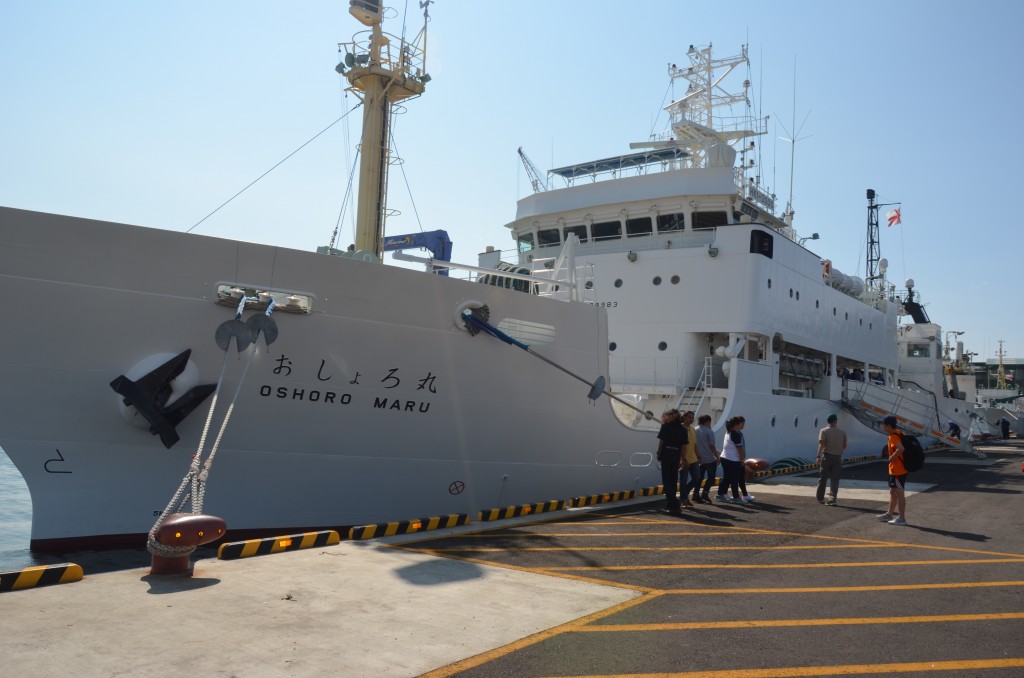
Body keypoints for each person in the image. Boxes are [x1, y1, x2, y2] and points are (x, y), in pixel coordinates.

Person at [878, 415, 908, 525]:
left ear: (888, 425)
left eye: (884, 424)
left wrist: (891, 458)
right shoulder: (898, 432)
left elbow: (901, 449)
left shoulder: (893, 436)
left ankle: (902, 518)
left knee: (900, 493)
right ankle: (889, 514)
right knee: (893, 492)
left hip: (898, 470)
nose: (882, 426)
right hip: (894, 470)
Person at [656, 409, 686, 515]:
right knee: (673, 480)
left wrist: (658, 453)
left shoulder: (665, 427)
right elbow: (683, 446)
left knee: (667, 480)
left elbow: (661, 441)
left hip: (666, 455)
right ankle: (672, 504)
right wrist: (683, 459)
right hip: (676, 455)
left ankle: (673, 504)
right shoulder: (683, 429)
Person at [816, 414, 848, 505]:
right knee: (835, 479)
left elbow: (821, 444)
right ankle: (832, 499)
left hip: (826, 457)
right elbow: (845, 446)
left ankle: (820, 498)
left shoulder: (824, 431)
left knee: (823, 478)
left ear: (828, 421)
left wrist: (818, 456)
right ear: (836, 421)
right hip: (837, 457)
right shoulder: (842, 432)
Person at [717, 416, 747, 503]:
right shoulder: (736, 434)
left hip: (724, 458)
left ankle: (720, 494)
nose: (742, 425)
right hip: (732, 460)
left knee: (727, 478)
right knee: (735, 479)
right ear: (737, 424)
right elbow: (740, 449)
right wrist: (742, 460)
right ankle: (736, 497)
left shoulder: (728, 432)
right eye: (741, 423)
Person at [693, 414, 720, 504]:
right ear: (708, 421)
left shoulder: (695, 429)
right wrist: (717, 457)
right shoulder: (709, 431)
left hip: (698, 458)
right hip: (709, 458)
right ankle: (705, 493)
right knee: (711, 477)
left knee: (699, 478)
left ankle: (695, 494)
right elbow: (712, 446)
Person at [678, 411, 700, 508]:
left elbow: (695, 444)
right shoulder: (680, 428)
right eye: (689, 417)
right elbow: (679, 445)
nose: (691, 419)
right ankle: (683, 500)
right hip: (683, 459)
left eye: (692, 417)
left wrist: (698, 456)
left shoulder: (692, 429)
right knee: (683, 480)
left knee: (696, 478)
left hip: (693, 458)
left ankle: (684, 496)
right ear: (684, 417)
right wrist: (681, 459)